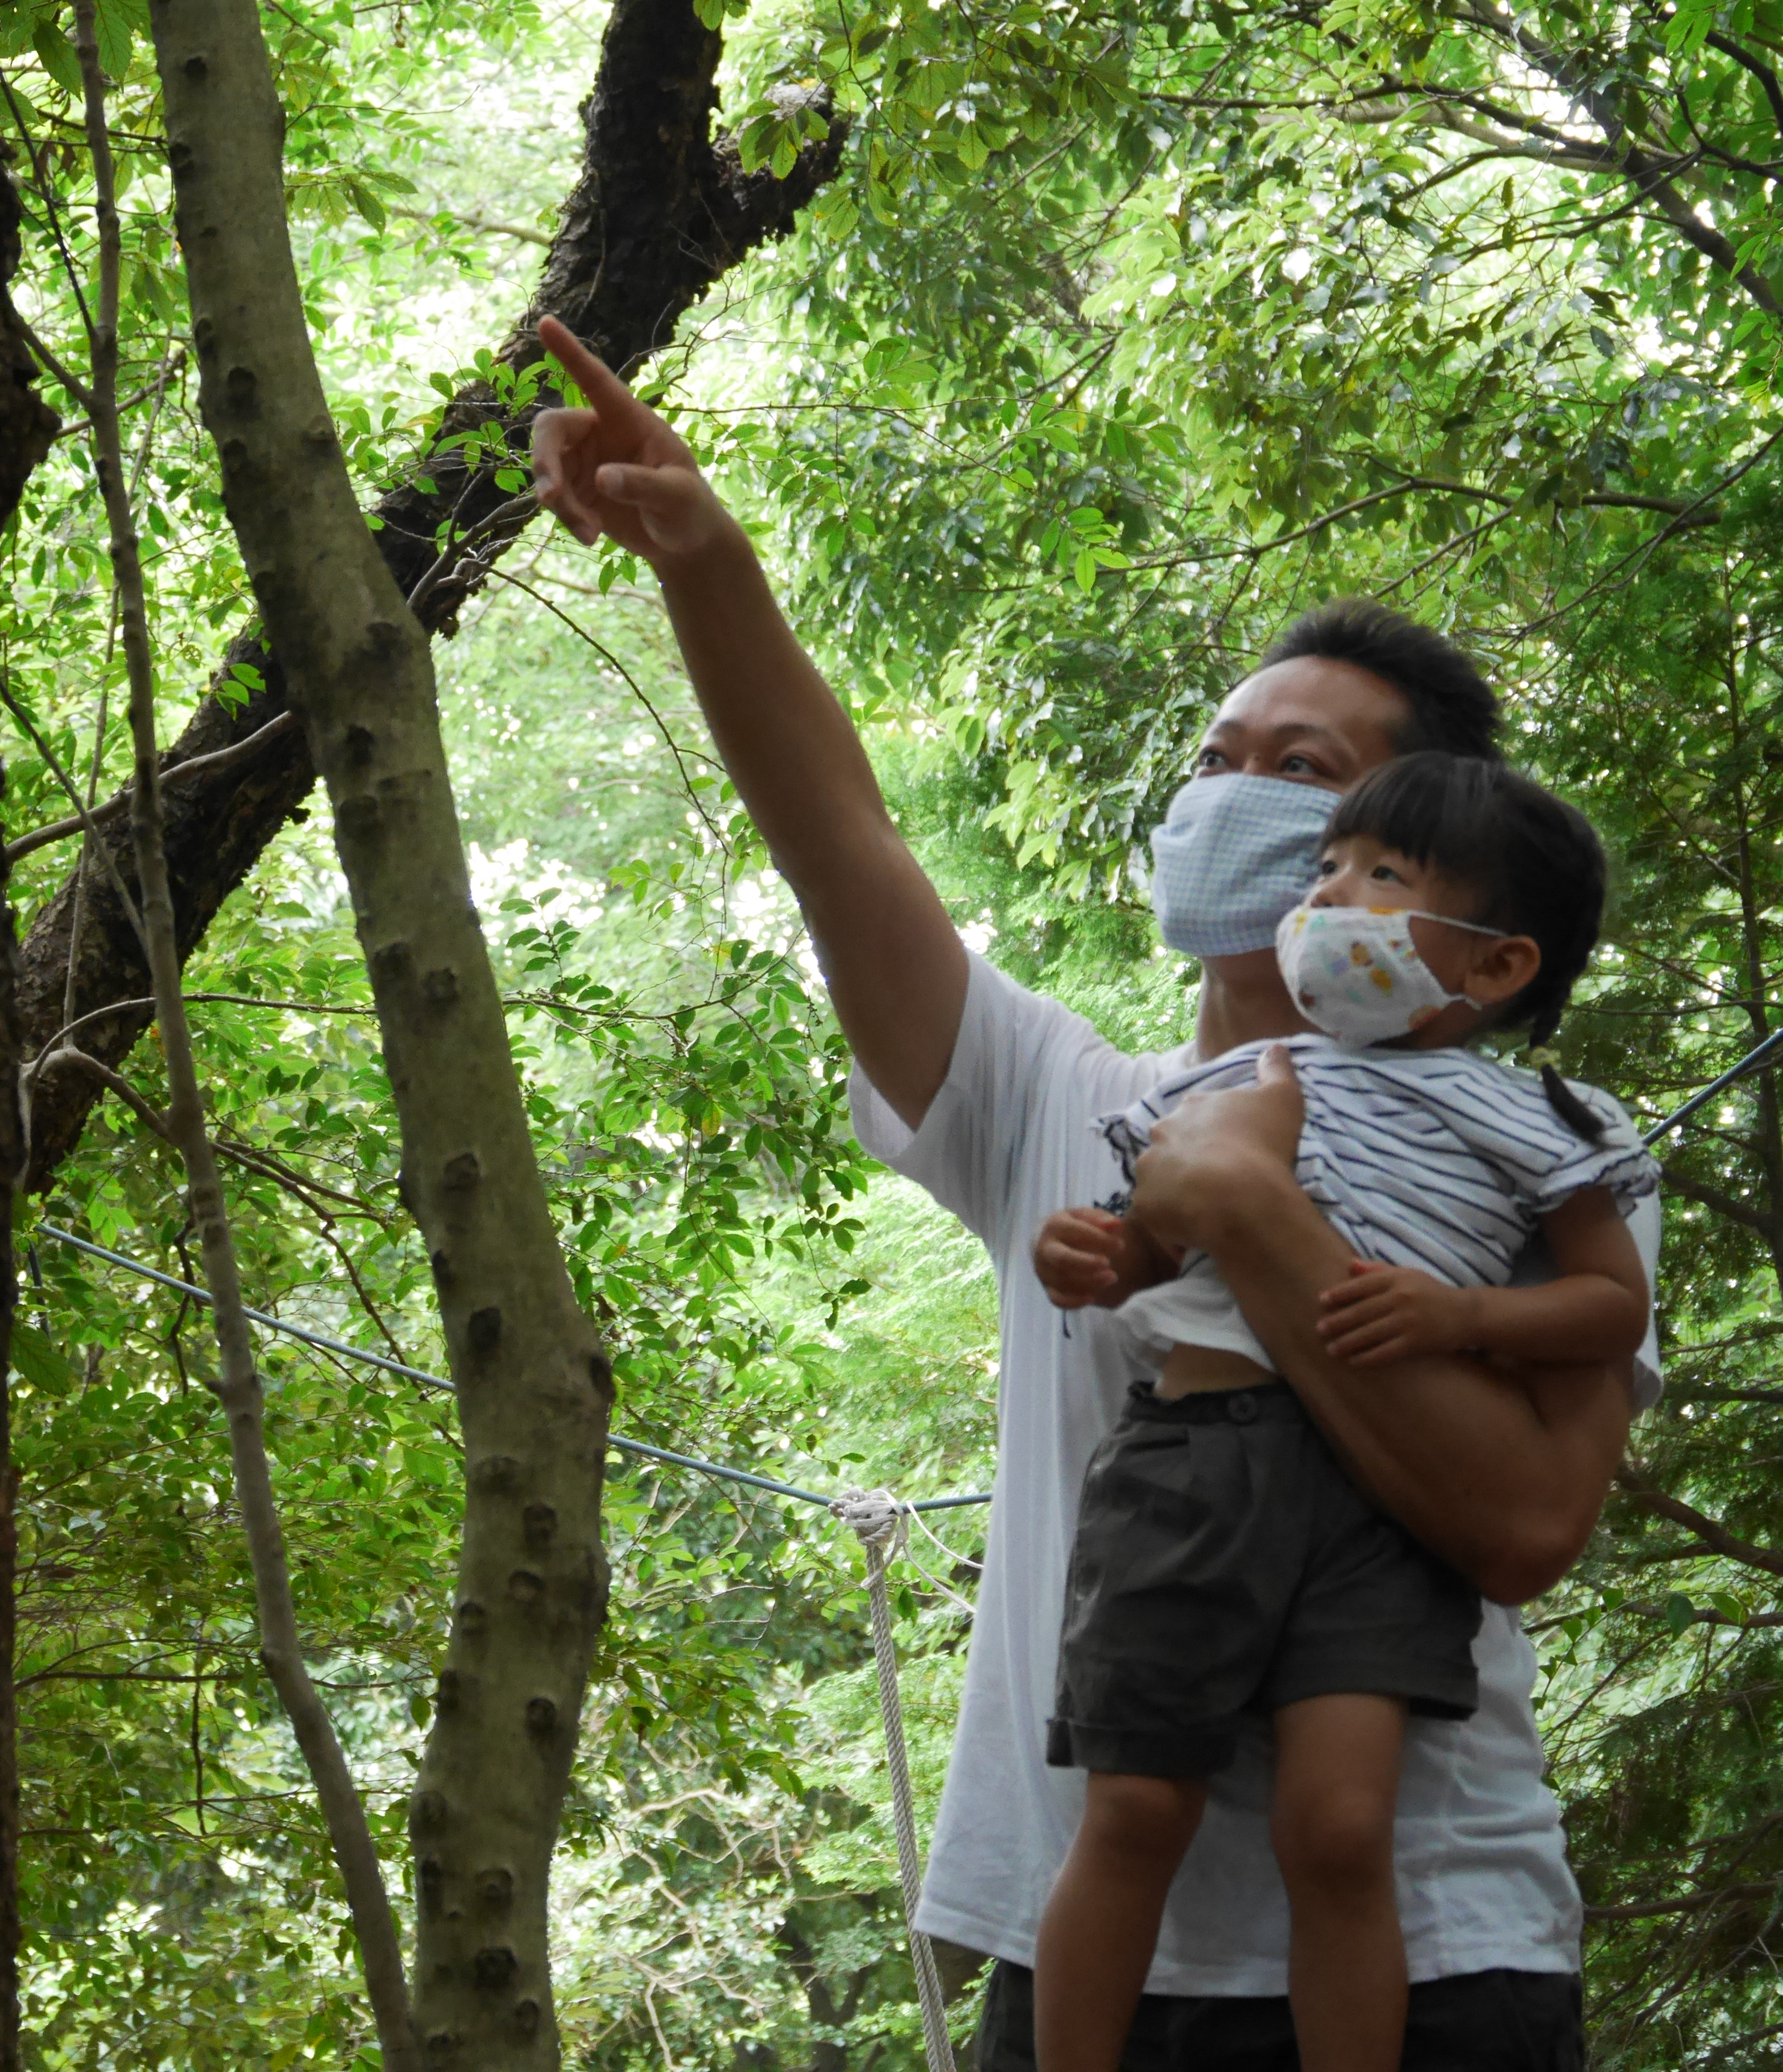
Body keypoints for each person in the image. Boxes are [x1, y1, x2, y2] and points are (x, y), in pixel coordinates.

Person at [525, 313, 1662, 2071]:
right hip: (1084, 1971)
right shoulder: (1058, 1095)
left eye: (1307, 774)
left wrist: (1251, 1212)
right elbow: (841, 843)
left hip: (1443, 1957)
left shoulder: (1540, 1144)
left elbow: (1524, 1527)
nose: (1236, 797)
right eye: (1219, 758)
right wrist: (708, 566)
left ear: (1435, 852)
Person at [1027, 754, 1656, 2072]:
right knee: (1135, 1799)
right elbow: (1147, 1238)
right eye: (1325, 871)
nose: (1328, 900)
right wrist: (1090, 1252)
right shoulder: (1250, 1076)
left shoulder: (1554, 1120)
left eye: (1382, 877)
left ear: (1495, 966)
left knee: (1338, 1822)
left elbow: (1607, 1305)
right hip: (1190, 1461)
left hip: (1377, 1515)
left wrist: (1459, 1317)